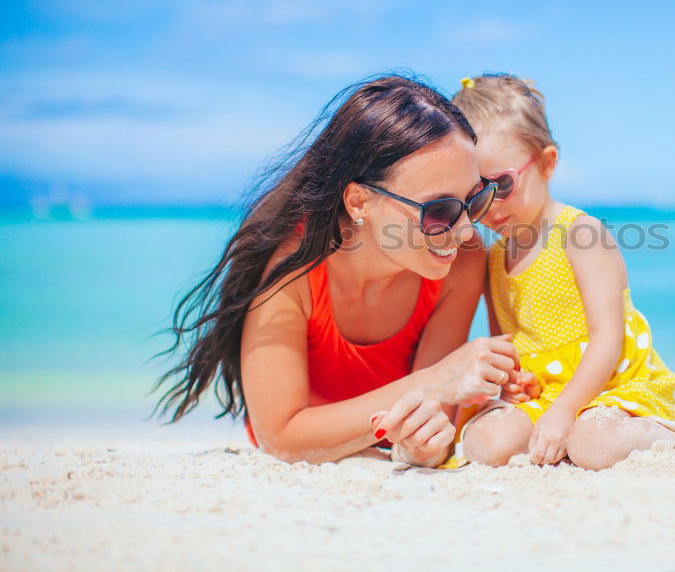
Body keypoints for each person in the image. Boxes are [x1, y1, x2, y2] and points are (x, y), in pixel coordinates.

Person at [156, 75, 517, 467]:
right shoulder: (293, 272)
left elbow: (433, 423)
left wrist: (423, 441)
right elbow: (280, 436)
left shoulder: (461, 259)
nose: (465, 229)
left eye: (474, 200)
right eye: (439, 211)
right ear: (359, 201)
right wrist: (432, 384)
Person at [451, 74, 675, 470]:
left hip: (610, 385)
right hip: (546, 394)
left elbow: (608, 338)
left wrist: (565, 411)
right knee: (486, 444)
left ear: (547, 164)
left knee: (593, 442)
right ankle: (563, 436)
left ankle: (673, 435)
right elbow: (508, 344)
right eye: (473, 194)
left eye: (502, 185)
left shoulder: (579, 235)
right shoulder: (494, 257)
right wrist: (516, 380)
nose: (489, 206)